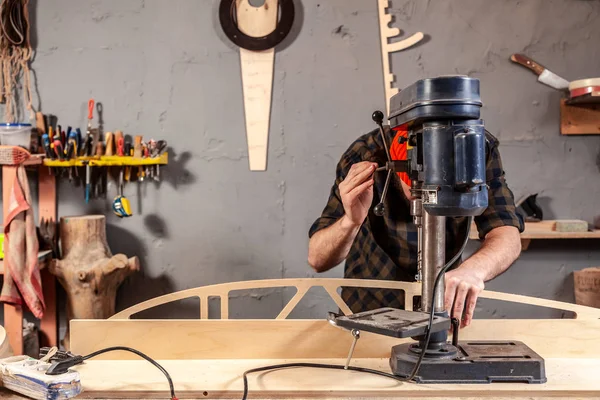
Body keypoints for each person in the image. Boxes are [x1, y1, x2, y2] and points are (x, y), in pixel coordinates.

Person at [307, 125, 523, 327]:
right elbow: (318, 259)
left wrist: (472, 272)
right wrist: (351, 221)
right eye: (416, 192)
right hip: (368, 312)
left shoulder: (476, 149)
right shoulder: (367, 154)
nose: (424, 204)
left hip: (441, 310)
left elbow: (506, 233)